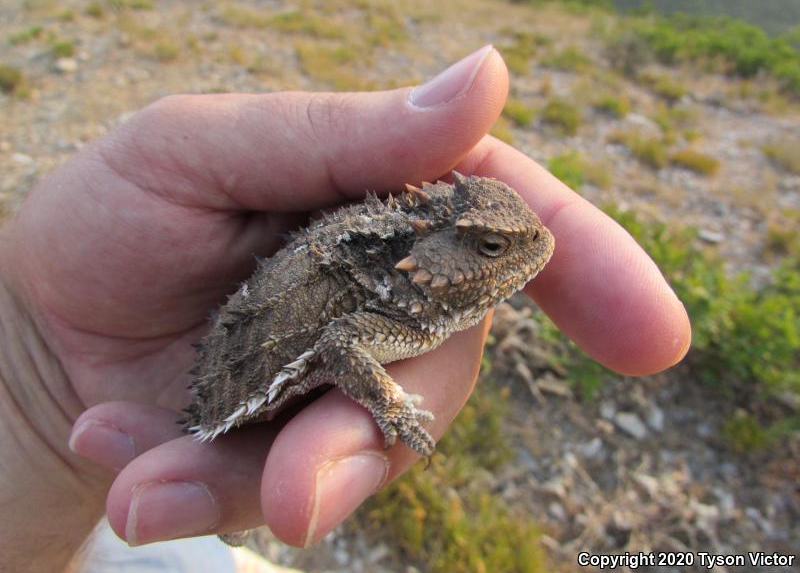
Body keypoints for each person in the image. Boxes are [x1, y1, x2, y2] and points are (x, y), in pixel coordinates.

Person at [0, 46, 691, 573]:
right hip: (234, 389)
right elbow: (345, 344)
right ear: (446, 242)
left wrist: (29, 380)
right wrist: (392, 409)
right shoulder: (399, 301)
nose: (528, 247)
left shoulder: (415, 279)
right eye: (486, 245)